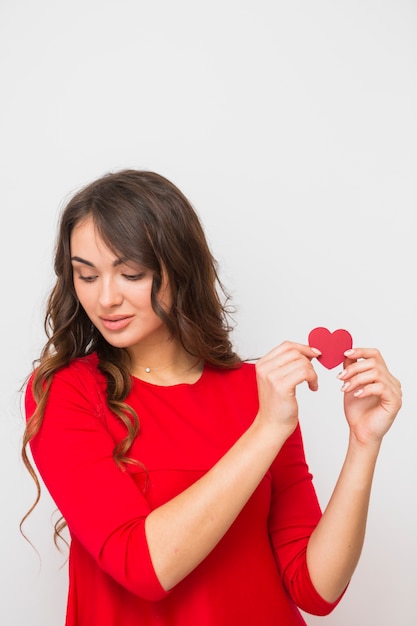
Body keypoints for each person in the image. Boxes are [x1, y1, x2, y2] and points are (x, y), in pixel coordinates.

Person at [21, 169, 402, 626]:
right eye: (86, 275)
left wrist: (363, 443)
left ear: (179, 268)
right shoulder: (65, 392)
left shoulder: (256, 391)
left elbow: (315, 589)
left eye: (130, 273)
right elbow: (141, 568)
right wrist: (266, 430)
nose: (105, 298)